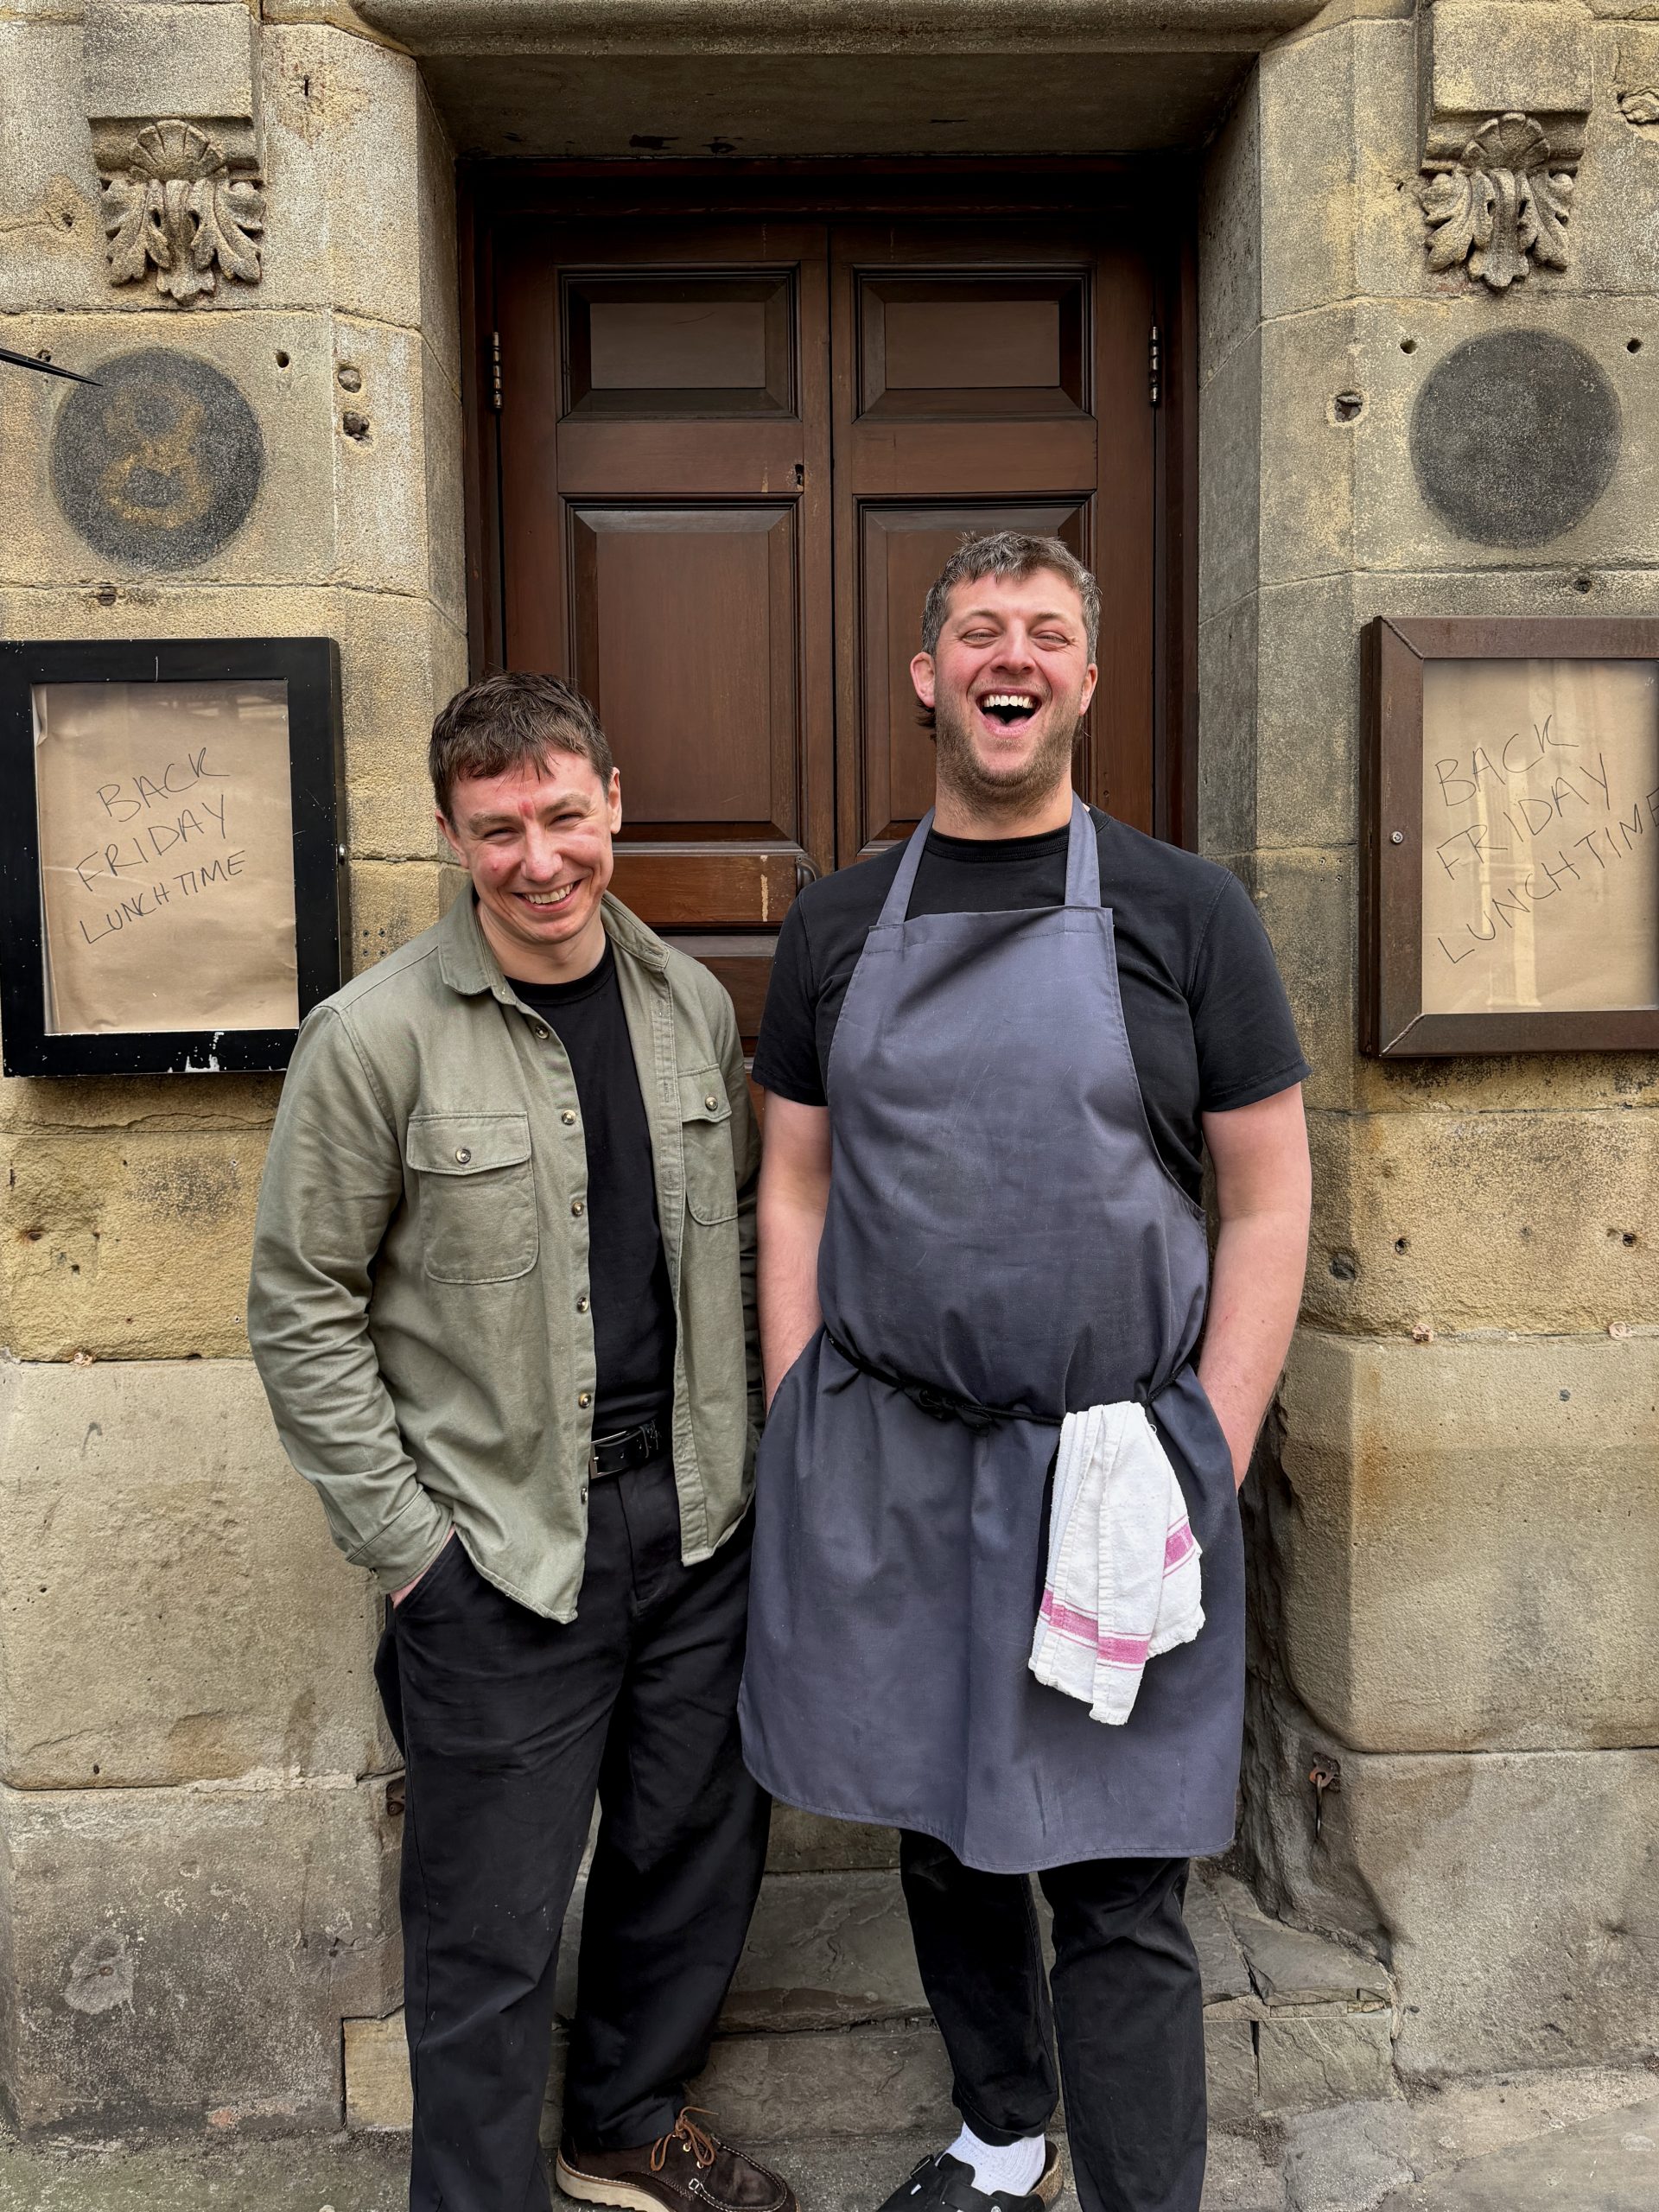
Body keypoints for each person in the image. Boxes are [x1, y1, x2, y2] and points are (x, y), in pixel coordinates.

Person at [741, 535, 1312, 2212]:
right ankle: (1002, 2133)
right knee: (939, 1828)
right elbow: (795, 1183)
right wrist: (798, 1411)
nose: (1015, 656)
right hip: (893, 1463)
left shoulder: (1187, 913)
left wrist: (1211, 1442)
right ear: (928, 677)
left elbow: (1270, 1198)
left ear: (1084, 679)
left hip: (1116, 1470)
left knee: (1122, 1876)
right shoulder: (837, 922)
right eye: (980, 630)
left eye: (1047, 632)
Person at [248, 672, 794, 2212]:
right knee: (484, 1929)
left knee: (690, 1858)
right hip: (498, 1548)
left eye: (564, 816)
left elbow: (741, 1244)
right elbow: (300, 1307)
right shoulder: (372, 1041)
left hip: (695, 1525)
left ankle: (625, 2121)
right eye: (499, 830)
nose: (540, 860)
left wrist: (755, 1470)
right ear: (449, 834)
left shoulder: (689, 1010)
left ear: (613, 802)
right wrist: (412, 1552)